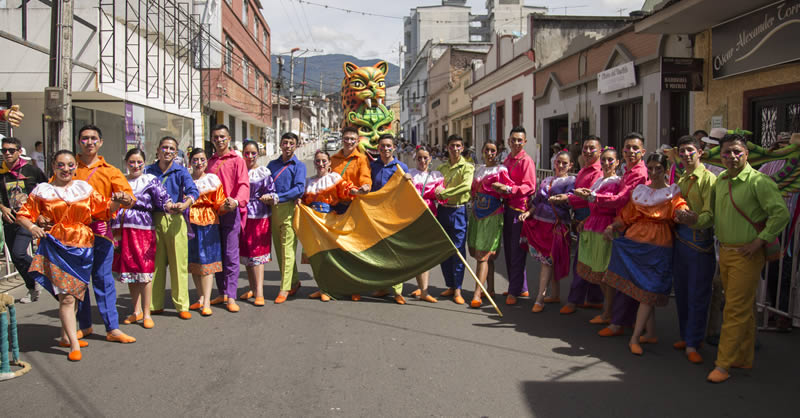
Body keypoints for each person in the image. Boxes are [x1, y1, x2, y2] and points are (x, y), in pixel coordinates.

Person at [17, 150, 123, 361]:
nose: (66, 169)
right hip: (57, 245)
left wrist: (119, 201)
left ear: (75, 167)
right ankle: (74, 343)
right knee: (66, 296)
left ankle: (66, 335)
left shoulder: (84, 188)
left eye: (70, 165)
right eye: (60, 165)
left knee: (75, 294)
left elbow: (102, 211)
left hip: (83, 247)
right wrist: (32, 227)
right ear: (53, 167)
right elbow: (23, 214)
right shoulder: (43, 190)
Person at [707, 133, 789, 384]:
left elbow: (780, 214)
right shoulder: (721, 181)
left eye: (736, 152)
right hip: (726, 252)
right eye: (726, 153)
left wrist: (759, 241)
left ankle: (723, 363)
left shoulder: (759, 182)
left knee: (734, 309)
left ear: (746, 154)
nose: (731, 157)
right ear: (720, 156)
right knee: (741, 308)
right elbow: (712, 216)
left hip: (747, 254)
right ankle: (743, 355)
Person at [602, 153, 691, 356]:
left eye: (657, 168)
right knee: (643, 290)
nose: (652, 172)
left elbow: (679, 209)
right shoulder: (640, 191)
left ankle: (635, 337)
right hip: (634, 243)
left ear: (665, 169)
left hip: (659, 246)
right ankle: (650, 332)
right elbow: (626, 216)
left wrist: (684, 214)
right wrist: (612, 226)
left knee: (649, 290)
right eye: (650, 168)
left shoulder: (672, 193)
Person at [573, 132, 649, 337]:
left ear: (643, 151)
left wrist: (593, 197)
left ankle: (618, 319)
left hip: (629, 228)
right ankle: (624, 320)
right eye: (627, 148)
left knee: (615, 276)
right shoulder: (625, 173)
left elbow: (620, 200)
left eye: (635, 148)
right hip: (616, 225)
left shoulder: (637, 174)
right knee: (610, 275)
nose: (631, 152)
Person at [73, 124, 136, 344]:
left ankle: (112, 328)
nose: (89, 142)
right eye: (84, 138)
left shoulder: (110, 171)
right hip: (74, 233)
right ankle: (84, 326)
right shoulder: (70, 168)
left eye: (93, 138)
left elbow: (127, 195)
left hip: (100, 231)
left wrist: (125, 199)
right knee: (78, 281)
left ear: (100, 142)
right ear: (78, 142)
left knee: (103, 279)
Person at [112, 148, 172, 329]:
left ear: (144, 163)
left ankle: (147, 312)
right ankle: (136, 310)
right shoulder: (120, 181)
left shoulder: (150, 180)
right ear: (126, 163)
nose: (135, 165)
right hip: (123, 229)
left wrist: (173, 206)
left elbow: (163, 199)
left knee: (144, 271)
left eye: (139, 162)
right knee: (130, 271)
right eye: (132, 162)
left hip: (143, 229)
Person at [672, 135, 717, 363]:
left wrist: (694, 219)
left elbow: (710, 214)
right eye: (682, 151)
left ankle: (693, 341)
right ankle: (686, 336)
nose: (686, 155)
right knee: (681, 292)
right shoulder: (681, 179)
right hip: (680, 241)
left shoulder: (709, 179)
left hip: (700, 242)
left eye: (690, 150)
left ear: (700, 152)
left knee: (698, 294)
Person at [144, 137, 199, 320]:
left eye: (172, 149)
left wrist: (185, 204)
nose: (167, 151)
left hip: (176, 219)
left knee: (179, 264)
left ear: (176, 153)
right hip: (155, 220)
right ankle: (154, 303)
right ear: (158, 150)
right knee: (155, 265)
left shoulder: (181, 171)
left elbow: (193, 191)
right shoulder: (148, 171)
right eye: (164, 148)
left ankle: (181, 304)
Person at [550, 136, 605, 315]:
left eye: (592, 148)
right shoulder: (583, 171)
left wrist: (567, 198)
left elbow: (588, 197)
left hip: (591, 219)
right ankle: (596, 299)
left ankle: (574, 300)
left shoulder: (599, 173)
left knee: (582, 262)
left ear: (600, 151)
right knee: (589, 261)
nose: (588, 152)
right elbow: (577, 194)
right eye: (585, 148)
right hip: (580, 218)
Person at [569, 147, 622, 324]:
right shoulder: (599, 181)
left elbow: (610, 205)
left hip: (604, 229)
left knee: (604, 273)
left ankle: (609, 312)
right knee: (597, 274)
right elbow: (592, 204)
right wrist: (586, 220)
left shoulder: (616, 182)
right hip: (593, 225)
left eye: (611, 160)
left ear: (617, 163)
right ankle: (608, 311)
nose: (607, 163)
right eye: (605, 160)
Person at [303, 150, 365, 302]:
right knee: (319, 258)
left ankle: (352, 288)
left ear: (329, 162)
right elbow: (304, 200)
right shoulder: (308, 182)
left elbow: (345, 189)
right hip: (314, 223)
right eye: (318, 161)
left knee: (340, 256)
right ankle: (324, 288)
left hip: (330, 221)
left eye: (324, 161)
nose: (321, 164)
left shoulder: (334, 178)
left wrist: (356, 191)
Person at [520, 151, 575, 312]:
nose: (561, 165)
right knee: (548, 261)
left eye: (565, 163)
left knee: (548, 261)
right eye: (558, 162)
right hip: (540, 224)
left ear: (570, 165)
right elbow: (537, 201)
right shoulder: (547, 180)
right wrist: (528, 213)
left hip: (556, 227)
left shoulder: (571, 182)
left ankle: (540, 298)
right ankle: (555, 294)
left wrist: (563, 198)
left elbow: (571, 200)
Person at [206, 125, 250, 312]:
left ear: (229, 138)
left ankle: (231, 295)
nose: (219, 140)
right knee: (216, 255)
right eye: (216, 137)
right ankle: (221, 292)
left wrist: (237, 201)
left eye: (222, 137)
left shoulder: (237, 160)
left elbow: (243, 185)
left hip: (231, 212)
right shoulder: (210, 162)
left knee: (231, 255)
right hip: (212, 215)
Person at [493, 126, 536, 305]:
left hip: (520, 211)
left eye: (520, 140)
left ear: (525, 142)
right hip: (507, 208)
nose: (516, 143)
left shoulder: (526, 161)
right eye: (513, 140)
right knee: (509, 251)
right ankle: (520, 287)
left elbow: (530, 186)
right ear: (508, 141)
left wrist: (510, 189)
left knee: (517, 251)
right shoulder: (507, 160)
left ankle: (514, 290)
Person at [0, 137, 47, 304]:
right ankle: (32, 287)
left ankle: (40, 272)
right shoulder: (1, 172)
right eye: (4, 150)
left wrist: (41, 212)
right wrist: (2, 207)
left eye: (11, 150)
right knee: (14, 256)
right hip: (9, 219)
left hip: (27, 219)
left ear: (19, 152)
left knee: (20, 252)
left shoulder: (32, 171)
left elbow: (47, 188)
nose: (7, 153)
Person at [467, 141, 511, 308]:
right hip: (477, 214)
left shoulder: (501, 170)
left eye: (493, 150)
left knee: (483, 256)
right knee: (483, 255)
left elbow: (509, 190)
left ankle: (477, 292)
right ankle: (490, 289)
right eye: (487, 150)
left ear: (497, 152)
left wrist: (503, 188)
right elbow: (473, 191)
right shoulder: (479, 169)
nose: (490, 153)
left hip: (492, 215)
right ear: (482, 151)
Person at [187, 148, 229, 316]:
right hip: (189, 223)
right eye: (195, 159)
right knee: (194, 262)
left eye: (202, 159)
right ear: (190, 162)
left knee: (208, 261)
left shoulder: (212, 179)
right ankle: (200, 297)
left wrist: (228, 205)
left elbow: (219, 201)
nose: (199, 163)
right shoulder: (186, 179)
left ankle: (207, 301)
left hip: (209, 222)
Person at [266, 133, 306, 304]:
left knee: (288, 249)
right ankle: (294, 282)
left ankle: (284, 288)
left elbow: (299, 189)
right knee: (279, 250)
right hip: (272, 211)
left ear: (296, 146)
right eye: (285, 142)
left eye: (291, 143)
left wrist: (278, 197)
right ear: (280, 145)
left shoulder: (299, 165)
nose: (288, 145)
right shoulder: (272, 165)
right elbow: (264, 183)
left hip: (289, 209)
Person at [435, 134, 475, 305]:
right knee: (444, 249)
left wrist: (445, 193)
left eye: (458, 145)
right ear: (447, 147)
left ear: (462, 148)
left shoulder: (467, 167)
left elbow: (466, 186)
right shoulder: (441, 168)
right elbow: (434, 186)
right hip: (442, 211)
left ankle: (458, 289)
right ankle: (450, 285)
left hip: (458, 211)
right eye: (452, 145)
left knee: (458, 250)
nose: (455, 149)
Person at [369, 134, 409, 304]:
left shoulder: (401, 167)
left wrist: (409, 180)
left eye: (388, 146)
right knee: (379, 253)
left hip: (394, 215)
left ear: (394, 147)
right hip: (376, 215)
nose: (385, 149)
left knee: (395, 253)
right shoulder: (372, 166)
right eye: (382, 146)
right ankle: (383, 286)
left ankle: (398, 290)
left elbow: (408, 191)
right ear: (378, 148)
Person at [238, 141, 275, 306]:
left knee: (258, 253)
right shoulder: (239, 171)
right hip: (242, 216)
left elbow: (272, 191)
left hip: (260, 217)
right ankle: (252, 287)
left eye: (253, 153)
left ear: (258, 154)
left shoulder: (263, 172)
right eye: (247, 153)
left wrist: (269, 197)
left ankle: (260, 291)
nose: (250, 156)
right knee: (246, 253)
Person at [407, 145, 444, 304]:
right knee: (416, 254)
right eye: (419, 158)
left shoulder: (436, 176)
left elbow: (442, 196)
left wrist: (441, 192)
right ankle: (421, 287)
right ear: (415, 159)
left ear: (430, 159)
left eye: (425, 158)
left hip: (430, 217)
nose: (422, 161)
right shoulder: (410, 174)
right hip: (413, 217)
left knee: (426, 253)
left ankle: (424, 290)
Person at [329, 126, 371, 215]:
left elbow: (365, 176)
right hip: (334, 204)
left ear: (357, 142)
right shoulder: (333, 159)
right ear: (342, 140)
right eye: (346, 139)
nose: (349, 142)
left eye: (352, 139)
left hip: (353, 204)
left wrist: (366, 185)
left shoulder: (362, 159)